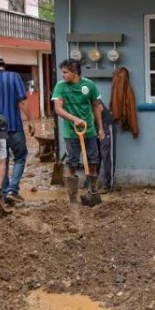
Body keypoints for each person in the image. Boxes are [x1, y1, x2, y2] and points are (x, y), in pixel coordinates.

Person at [0, 54, 36, 206]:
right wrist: (30, 121)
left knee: (1, 161)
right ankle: (13, 190)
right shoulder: (15, 77)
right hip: (15, 126)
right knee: (20, 157)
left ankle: (4, 194)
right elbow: (23, 101)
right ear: (3, 64)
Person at [52, 58, 105, 205]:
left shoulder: (89, 85)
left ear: (74, 73)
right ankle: (73, 198)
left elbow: (96, 106)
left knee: (93, 162)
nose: (62, 75)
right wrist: (74, 119)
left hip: (89, 132)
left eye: (65, 72)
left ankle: (92, 193)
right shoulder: (60, 87)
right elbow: (58, 109)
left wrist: (100, 128)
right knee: (72, 164)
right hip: (71, 133)